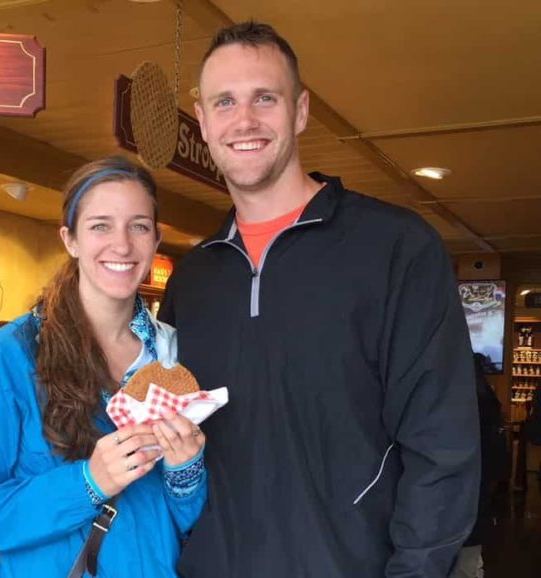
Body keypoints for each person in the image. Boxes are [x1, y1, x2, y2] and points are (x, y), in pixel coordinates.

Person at [158, 21, 480, 578]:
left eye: (265, 97)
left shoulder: (395, 249)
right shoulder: (194, 279)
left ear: (301, 110)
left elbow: (442, 450)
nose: (245, 120)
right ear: (204, 123)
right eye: (225, 102)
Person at [0, 156, 207, 578]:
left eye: (138, 226)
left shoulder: (174, 353)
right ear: (71, 239)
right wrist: (88, 482)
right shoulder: (10, 356)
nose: (121, 245)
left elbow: (186, 522)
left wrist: (186, 473)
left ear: (156, 240)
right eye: (100, 225)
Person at [449, 353, 508, 578]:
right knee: (470, 561)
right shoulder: (487, 400)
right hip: (476, 497)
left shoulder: (453, 401)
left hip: (450, 498)